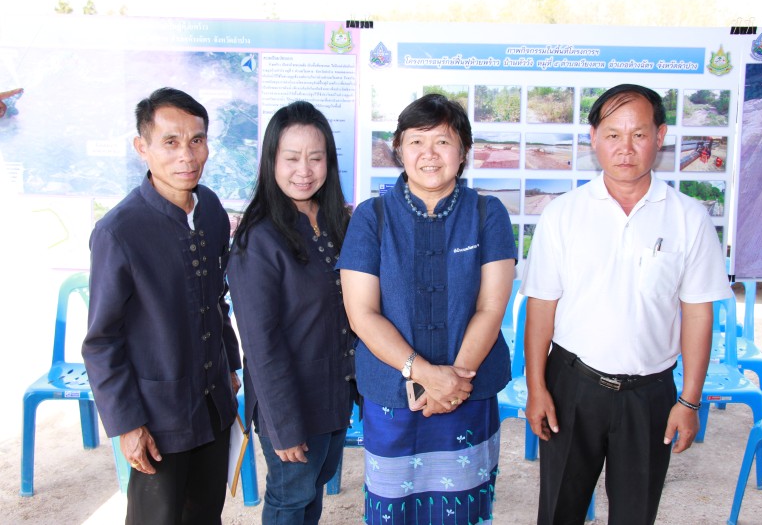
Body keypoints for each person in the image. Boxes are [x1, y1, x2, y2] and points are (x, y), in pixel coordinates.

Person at [520, 84, 733, 524]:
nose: (625, 148)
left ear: (660, 136)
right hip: (572, 386)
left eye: (638, 134)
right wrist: (537, 388)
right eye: (613, 135)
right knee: (558, 511)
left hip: (650, 395)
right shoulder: (563, 214)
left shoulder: (688, 217)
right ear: (594, 138)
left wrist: (689, 402)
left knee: (636, 515)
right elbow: (541, 307)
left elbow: (697, 313)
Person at [338, 93, 517, 524]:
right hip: (393, 394)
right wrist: (426, 375)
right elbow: (362, 314)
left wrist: (453, 383)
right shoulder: (371, 216)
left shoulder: (488, 213)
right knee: (392, 508)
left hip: (469, 389)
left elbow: (491, 307)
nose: (429, 154)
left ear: (464, 151)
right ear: (398, 149)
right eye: (416, 141)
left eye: (443, 141)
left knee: (462, 509)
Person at [82, 87, 242, 524]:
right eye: (170, 141)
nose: (187, 155)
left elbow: (217, 298)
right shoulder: (118, 231)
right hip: (157, 418)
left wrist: (229, 365)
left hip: (213, 404)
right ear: (143, 147)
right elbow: (101, 341)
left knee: (206, 515)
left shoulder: (211, 209)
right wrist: (127, 424)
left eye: (197, 140)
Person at [227, 101, 356, 524]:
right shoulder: (258, 239)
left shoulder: (335, 223)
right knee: (290, 500)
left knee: (311, 492)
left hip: (333, 393)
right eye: (291, 158)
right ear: (271, 161)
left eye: (315, 158)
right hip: (291, 403)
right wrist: (283, 425)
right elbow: (261, 344)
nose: (304, 170)